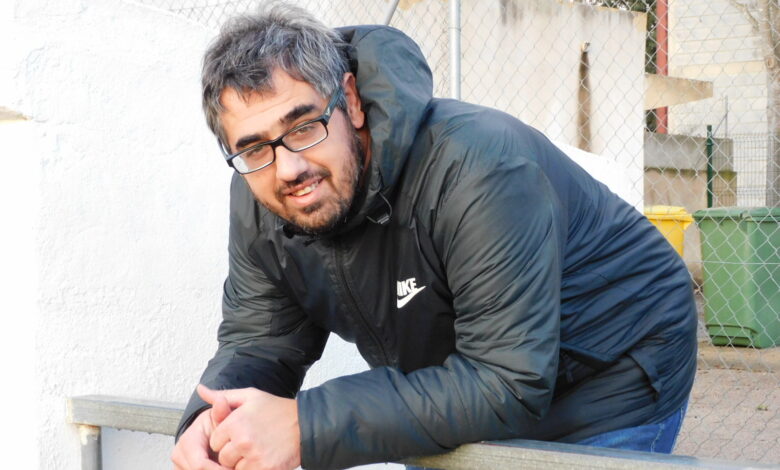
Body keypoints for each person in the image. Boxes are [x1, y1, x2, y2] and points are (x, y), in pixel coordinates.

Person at [171, 3, 697, 470]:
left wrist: (304, 427)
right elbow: (260, 339)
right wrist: (208, 421)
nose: (288, 168)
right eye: (254, 148)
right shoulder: (261, 196)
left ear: (350, 100)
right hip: (463, 376)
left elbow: (507, 382)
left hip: (610, 372)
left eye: (305, 126)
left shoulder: (478, 168)